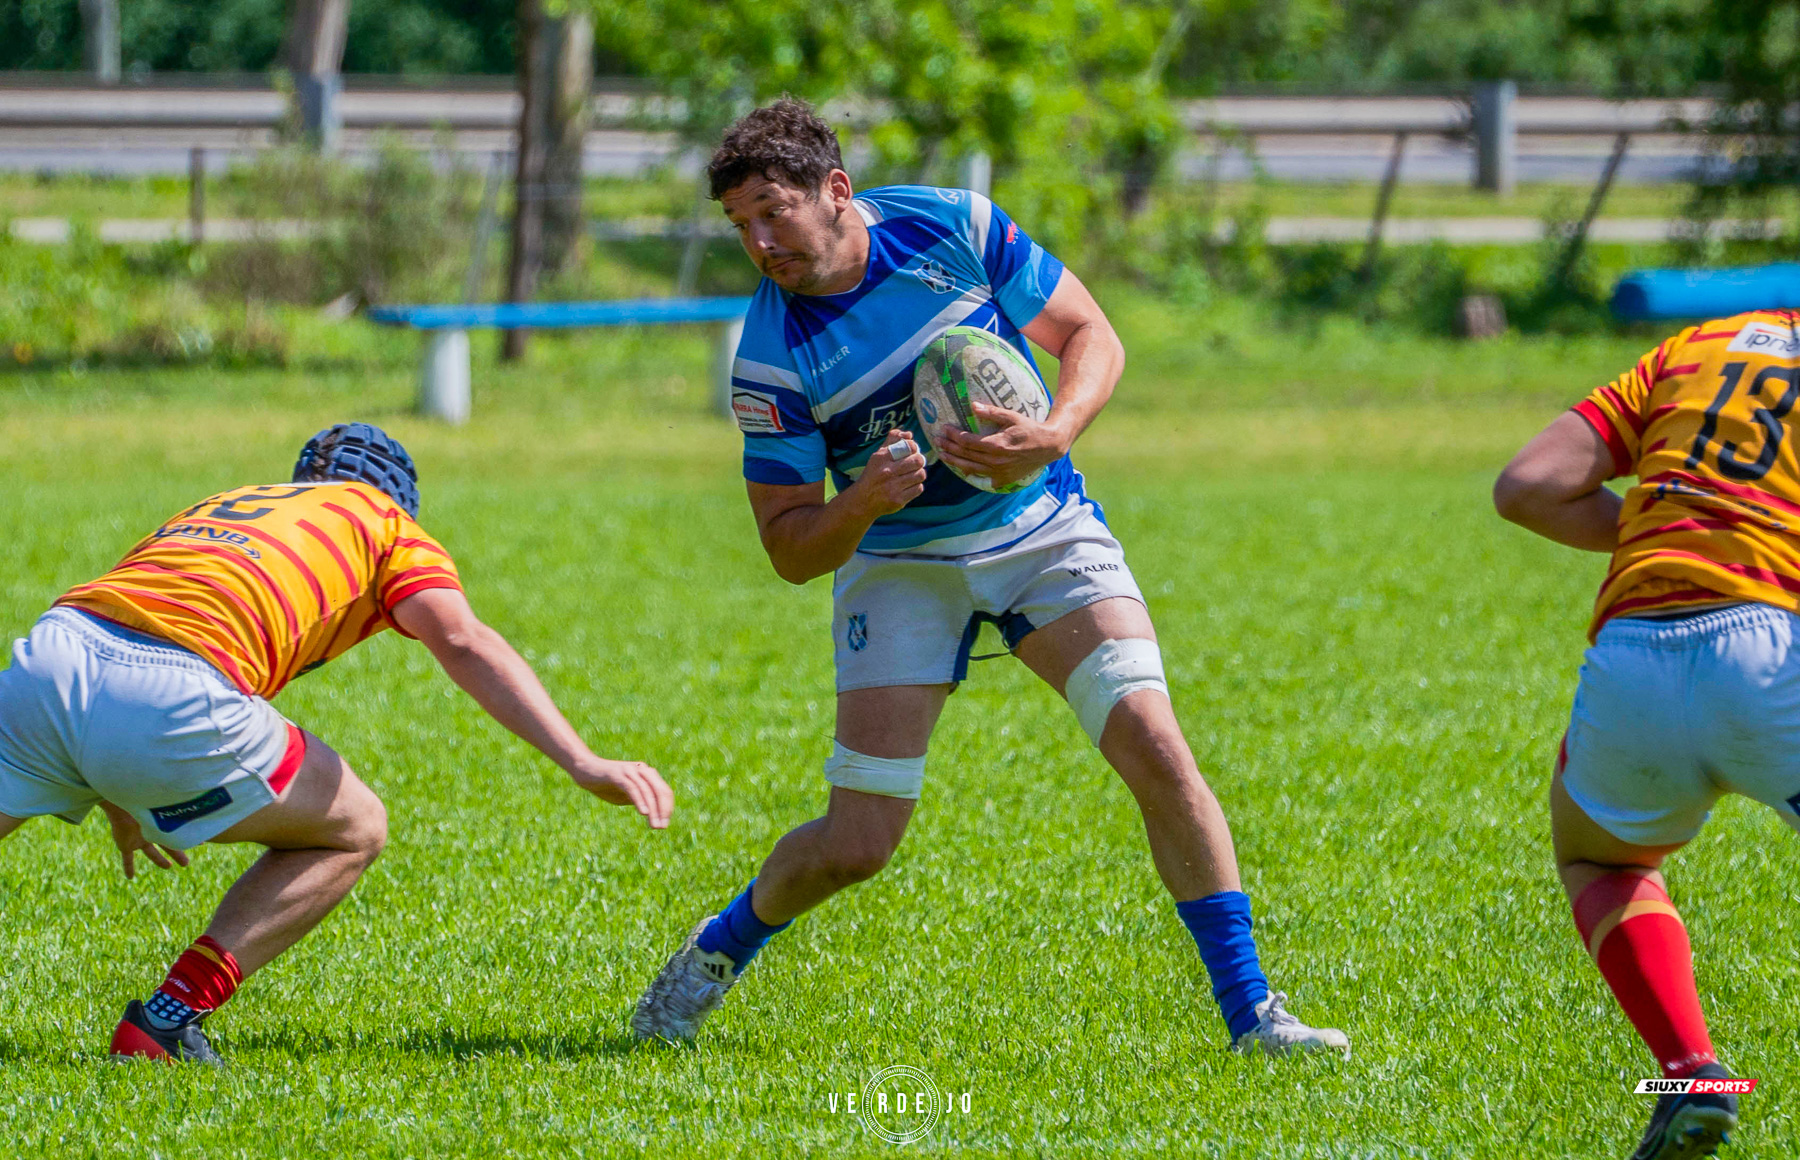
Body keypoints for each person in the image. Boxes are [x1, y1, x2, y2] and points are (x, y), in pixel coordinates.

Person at [630, 97, 1346, 1057]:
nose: (759, 242)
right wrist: (864, 502)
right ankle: (718, 950)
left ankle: (1254, 1015)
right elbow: (790, 549)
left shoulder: (951, 226)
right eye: (739, 226)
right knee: (858, 845)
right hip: (900, 563)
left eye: (773, 212)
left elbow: (1092, 334)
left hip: (1040, 526)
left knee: (1156, 747)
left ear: (836, 191)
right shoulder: (771, 360)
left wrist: (1056, 431)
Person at [0, 423, 672, 1064]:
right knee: (354, 827)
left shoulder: (234, 501)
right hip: (178, 686)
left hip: (50, 653)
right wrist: (582, 761)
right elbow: (463, 641)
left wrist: (112, 786)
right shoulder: (387, 525)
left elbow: (127, 636)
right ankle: (168, 1020)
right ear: (401, 498)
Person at [1491, 312, 1800, 1157]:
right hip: (1776, 654)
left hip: (1635, 654)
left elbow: (1527, 484)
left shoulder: (1698, 346)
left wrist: (1672, 529)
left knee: (1603, 860)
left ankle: (1692, 1071)